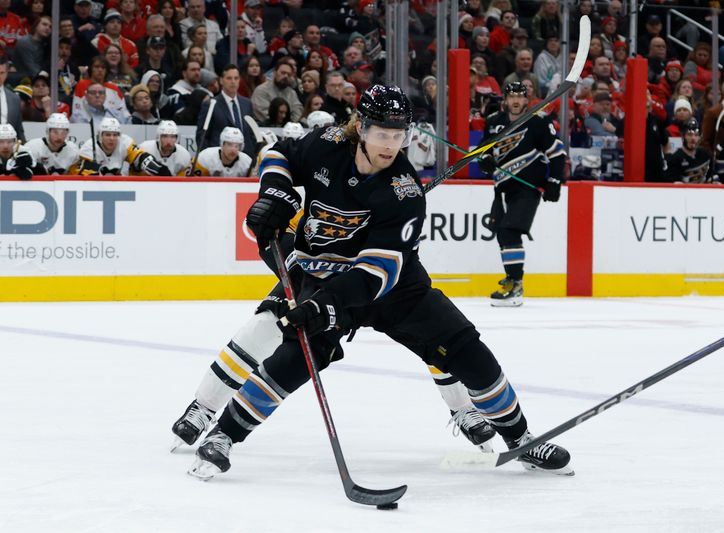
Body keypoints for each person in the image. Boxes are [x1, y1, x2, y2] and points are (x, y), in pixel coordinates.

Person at [187, 84, 573, 479]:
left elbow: (378, 274)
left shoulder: (405, 193)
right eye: (382, 135)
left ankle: (522, 440)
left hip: (395, 287)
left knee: (467, 350)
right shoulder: (327, 143)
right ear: (361, 128)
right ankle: (222, 436)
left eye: (399, 136)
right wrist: (274, 190)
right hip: (321, 272)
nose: (391, 145)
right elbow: (278, 154)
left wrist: (327, 305)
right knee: (298, 356)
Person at [477, 82, 565, 306]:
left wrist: (555, 181)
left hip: (527, 187)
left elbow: (557, 153)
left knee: (509, 231)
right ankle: (511, 279)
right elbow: (482, 151)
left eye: (520, 96)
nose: (516, 101)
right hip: (502, 189)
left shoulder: (538, 121)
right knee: (502, 233)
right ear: (505, 99)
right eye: (511, 96)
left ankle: (516, 285)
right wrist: (484, 160)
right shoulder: (494, 122)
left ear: (527, 100)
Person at [70, 117, 170, 176]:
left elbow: (141, 158)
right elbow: (86, 179)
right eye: (108, 134)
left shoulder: (125, 142)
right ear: (100, 136)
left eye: (115, 134)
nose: (112, 138)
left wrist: (160, 170)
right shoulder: (88, 148)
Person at [196, 65, 257, 157]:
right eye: (229, 78)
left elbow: (251, 134)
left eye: (236, 78)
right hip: (218, 159)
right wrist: (209, 158)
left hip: (244, 158)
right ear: (221, 80)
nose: (233, 82)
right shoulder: (211, 104)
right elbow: (202, 136)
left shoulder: (246, 103)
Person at [664, 118, 713, 183]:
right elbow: (673, 183)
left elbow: (712, 175)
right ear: (683, 136)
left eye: (696, 135)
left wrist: (714, 182)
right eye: (689, 135)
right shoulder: (674, 159)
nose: (693, 138)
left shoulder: (706, 155)